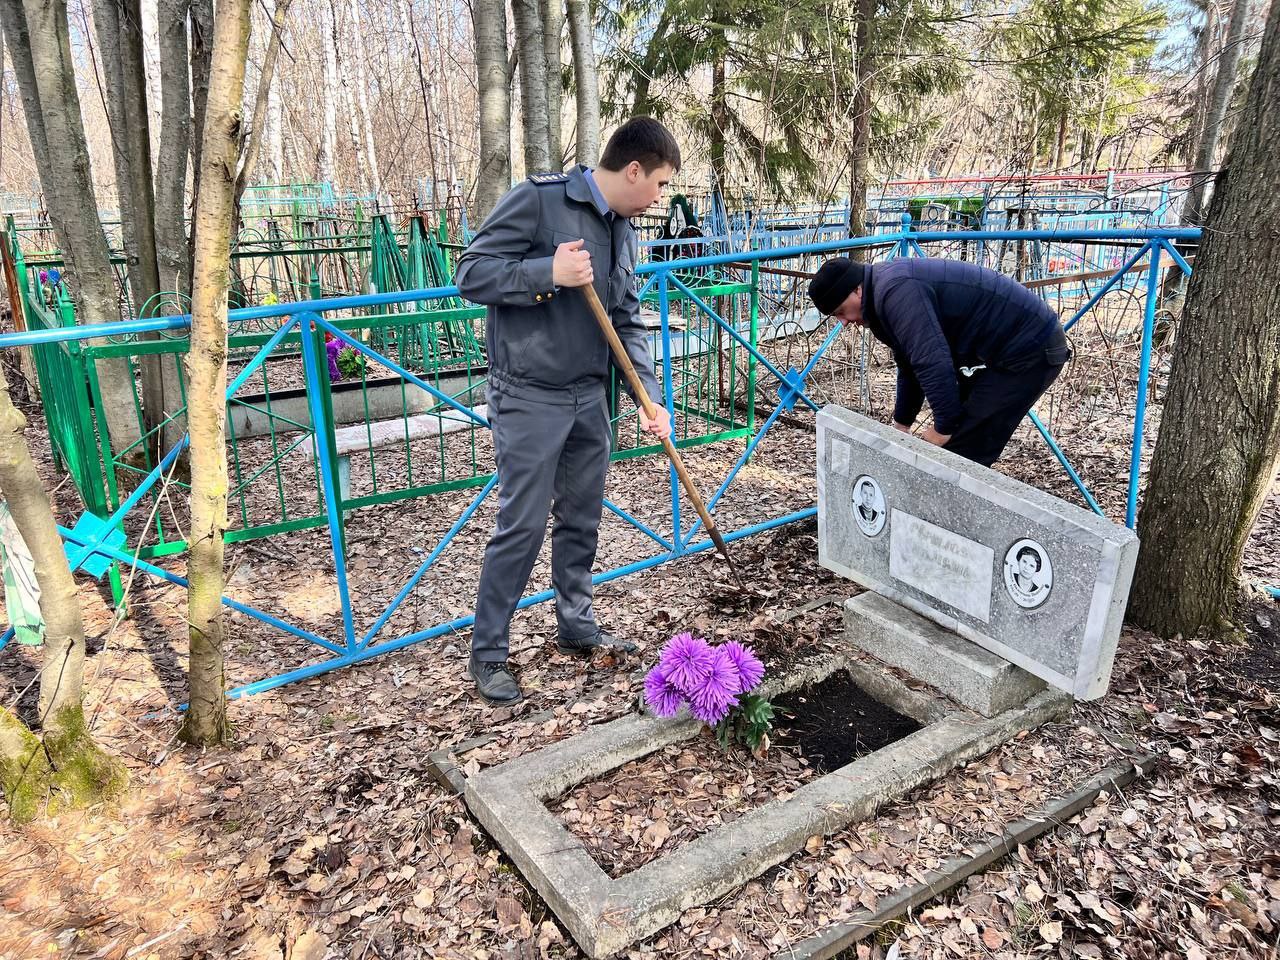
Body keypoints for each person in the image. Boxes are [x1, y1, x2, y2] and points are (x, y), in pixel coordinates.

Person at [454, 117, 679, 705]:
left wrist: (649, 398)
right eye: (659, 185)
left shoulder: (621, 228)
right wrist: (546, 273)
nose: (659, 199)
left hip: (588, 397)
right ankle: (488, 655)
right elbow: (470, 274)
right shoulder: (538, 199)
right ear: (633, 171)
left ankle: (575, 621)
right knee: (523, 525)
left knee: (581, 517)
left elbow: (625, 316)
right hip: (528, 395)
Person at [808, 257, 1071, 466]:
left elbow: (930, 360)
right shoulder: (881, 296)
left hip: (1030, 348)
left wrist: (943, 428)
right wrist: (902, 423)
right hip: (1003, 350)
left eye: (840, 311)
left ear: (857, 289)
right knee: (960, 443)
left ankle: (955, 526)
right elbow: (909, 364)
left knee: (961, 452)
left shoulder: (896, 291)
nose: (843, 323)